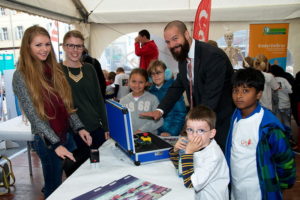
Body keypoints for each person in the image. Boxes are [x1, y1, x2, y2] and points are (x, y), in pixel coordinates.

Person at [12, 25, 92, 198]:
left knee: (66, 182)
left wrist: (79, 128)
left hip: (66, 135)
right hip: (47, 142)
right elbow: (34, 116)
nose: (44, 49)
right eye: (38, 45)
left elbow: (66, 104)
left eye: (47, 44)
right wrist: (55, 144)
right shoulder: (21, 75)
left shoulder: (54, 69)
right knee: (53, 186)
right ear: (27, 47)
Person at [140, 20, 234, 151]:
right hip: (200, 122)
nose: (172, 45)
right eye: (168, 42)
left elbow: (210, 97)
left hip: (219, 123)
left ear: (186, 34)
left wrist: (188, 129)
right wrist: (160, 110)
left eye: (175, 39)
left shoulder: (212, 56)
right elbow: (178, 86)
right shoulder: (184, 57)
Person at [225, 68, 296, 199]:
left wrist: (281, 186)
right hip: (236, 188)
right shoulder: (235, 116)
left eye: (245, 91)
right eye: (235, 90)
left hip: (259, 191)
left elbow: (285, 159)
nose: (239, 95)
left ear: (258, 94)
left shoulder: (269, 125)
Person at [61, 30, 110, 176]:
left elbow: (98, 99)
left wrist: (106, 126)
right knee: (75, 174)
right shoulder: (57, 71)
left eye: (79, 46)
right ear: (64, 46)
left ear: (83, 48)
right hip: (72, 132)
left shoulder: (89, 69)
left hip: (95, 128)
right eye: (71, 45)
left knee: (100, 173)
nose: (75, 50)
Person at [169, 105, 229, 200]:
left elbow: (189, 183)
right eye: (190, 130)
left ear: (212, 133)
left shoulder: (213, 157)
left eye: (201, 130)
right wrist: (175, 150)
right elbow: (181, 170)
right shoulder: (194, 145)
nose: (194, 135)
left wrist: (188, 153)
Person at [148, 60, 186, 136]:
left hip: (170, 132)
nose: (156, 76)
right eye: (153, 74)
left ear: (166, 73)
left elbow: (180, 113)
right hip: (156, 133)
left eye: (158, 72)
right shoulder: (150, 91)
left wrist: (171, 133)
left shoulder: (174, 90)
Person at [120, 68, 163, 134]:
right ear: (128, 81)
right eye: (134, 81)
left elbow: (160, 120)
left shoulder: (153, 99)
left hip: (149, 137)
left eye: (141, 82)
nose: (137, 85)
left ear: (146, 83)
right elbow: (120, 120)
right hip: (130, 137)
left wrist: (142, 130)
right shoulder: (123, 100)